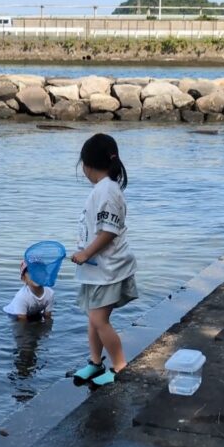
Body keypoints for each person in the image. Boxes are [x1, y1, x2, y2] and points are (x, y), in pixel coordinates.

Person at [70, 133, 138, 387]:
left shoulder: (108, 191)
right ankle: (95, 362)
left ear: (86, 165)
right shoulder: (104, 189)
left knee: (100, 320)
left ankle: (120, 366)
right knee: (92, 317)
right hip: (96, 269)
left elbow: (109, 231)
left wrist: (86, 253)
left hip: (108, 269)